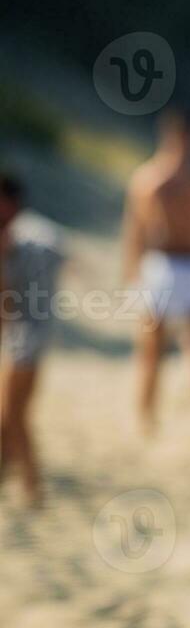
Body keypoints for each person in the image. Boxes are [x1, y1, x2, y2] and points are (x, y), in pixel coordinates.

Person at [122, 107, 190, 436]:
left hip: (182, 262)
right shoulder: (186, 181)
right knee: (165, 344)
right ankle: (152, 413)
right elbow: (138, 229)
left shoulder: (159, 179)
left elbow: (136, 229)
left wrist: (131, 268)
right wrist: (132, 268)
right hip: (174, 263)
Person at [0, 171, 64, 507]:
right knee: (13, 413)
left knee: (14, 414)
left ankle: (32, 489)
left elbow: (9, 301)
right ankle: (23, 482)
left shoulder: (17, 238)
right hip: (39, 330)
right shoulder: (43, 232)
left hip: (25, 333)